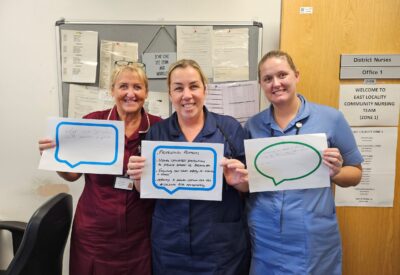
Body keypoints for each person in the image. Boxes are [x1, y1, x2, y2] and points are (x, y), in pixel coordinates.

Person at [244, 50, 363, 274]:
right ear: (261, 83)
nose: (276, 83)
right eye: (268, 79)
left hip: (314, 238)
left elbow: (356, 174)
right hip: (266, 236)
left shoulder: (331, 119)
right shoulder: (253, 126)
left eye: (282, 75)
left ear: (296, 75)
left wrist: (336, 172)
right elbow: (248, 181)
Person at [127, 59, 250, 274]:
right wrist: (138, 178)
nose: (187, 95)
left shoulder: (229, 128)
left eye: (194, 86)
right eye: (178, 88)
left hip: (221, 247)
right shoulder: (158, 133)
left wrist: (240, 182)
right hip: (171, 246)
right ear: (169, 94)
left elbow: (249, 186)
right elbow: (144, 189)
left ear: (205, 89)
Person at [38, 64, 161, 275]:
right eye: (123, 86)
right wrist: (56, 159)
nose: (130, 93)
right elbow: (73, 175)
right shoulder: (93, 122)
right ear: (112, 90)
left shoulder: (159, 128)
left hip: (141, 234)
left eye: (137, 87)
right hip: (95, 235)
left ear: (146, 92)